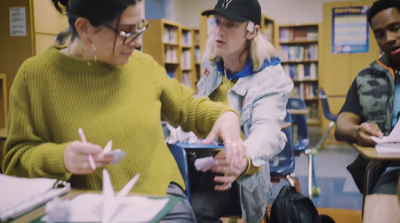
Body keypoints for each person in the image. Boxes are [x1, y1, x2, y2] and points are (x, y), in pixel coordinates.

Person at [1, 0, 248, 222]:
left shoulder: (142, 65)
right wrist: (61, 157)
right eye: (127, 32)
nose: (138, 41)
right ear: (84, 28)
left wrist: (225, 116)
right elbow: (15, 162)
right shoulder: (33, 77)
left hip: (160, 199)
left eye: (141, 27)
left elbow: (188, 106)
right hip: (87, 210)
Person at [192, 0, 293, 222]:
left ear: (252, 31)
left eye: (231, 25)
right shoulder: (210, 64)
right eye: (217, 22)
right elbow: (197, 107)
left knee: (197, 209)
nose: (219, 31)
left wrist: (242, 158)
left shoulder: (269, 77)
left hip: (241, 176)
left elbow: (267, 131)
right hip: (201, 162)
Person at [335, 0, 400, 194]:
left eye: (396, 28)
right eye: (380, 34)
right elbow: (341, 125)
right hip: (388, 169)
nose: (388, 38)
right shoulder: (367, 77)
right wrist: (357, 131)